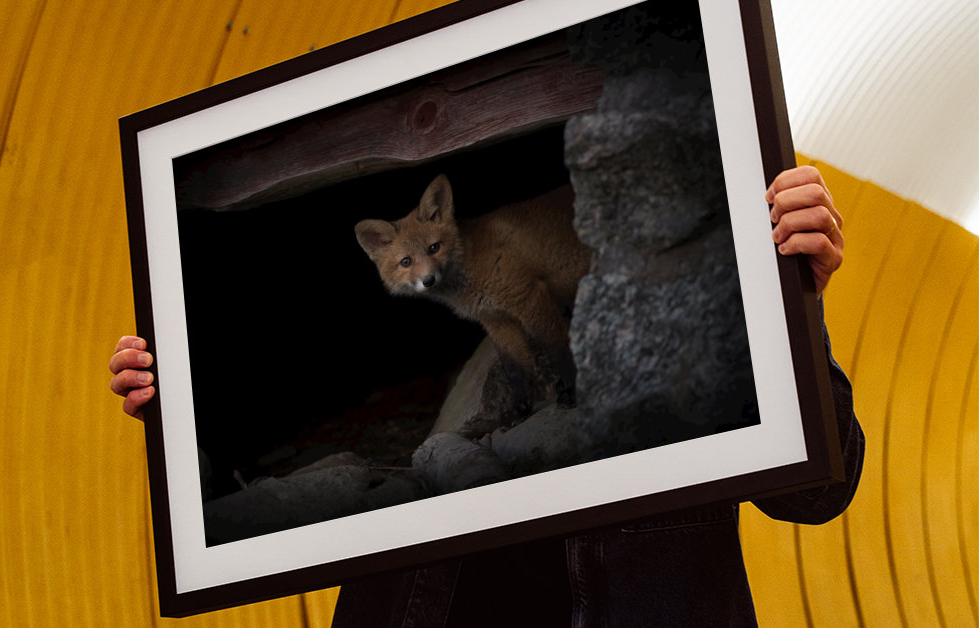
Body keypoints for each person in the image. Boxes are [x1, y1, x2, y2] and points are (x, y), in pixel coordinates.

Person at [110, 166, 863, 627]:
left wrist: (787, 300)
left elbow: (819, 491)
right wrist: (183, 415)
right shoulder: (472, 351)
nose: (426, 269)